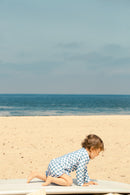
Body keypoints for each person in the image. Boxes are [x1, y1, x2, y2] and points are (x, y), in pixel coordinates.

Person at [27, 134, 104, 186]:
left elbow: (84, 169)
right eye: (98, 152)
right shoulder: (85, 155)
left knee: (58, 179)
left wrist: (87, 181)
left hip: (55, 164)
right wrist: (81, 183)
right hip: (58, 167)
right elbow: (80, 170)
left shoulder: (83, 152)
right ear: (92, 149)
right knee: (69, 182)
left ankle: (36, 174)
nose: (98, 155)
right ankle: (51, 179)